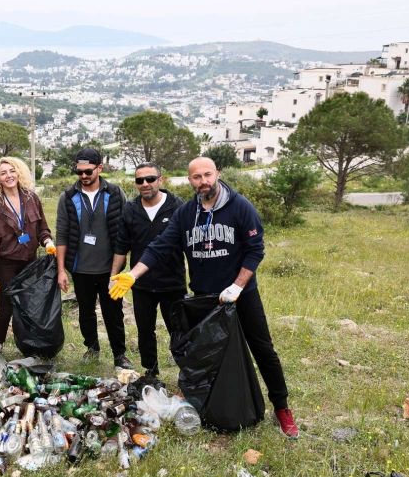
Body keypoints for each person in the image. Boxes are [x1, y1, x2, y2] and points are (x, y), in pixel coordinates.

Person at [109, 157, 299, 438]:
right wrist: (133, 275)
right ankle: (208, 405)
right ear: (190, 181)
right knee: (207, 356)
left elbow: (255, 249)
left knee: (263, 349)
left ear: (217, 174)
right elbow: (160, 247)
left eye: (207, 175)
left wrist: (237, 286)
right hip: (205, 299)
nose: (203, 181)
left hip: (241, 295)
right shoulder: (186, 213)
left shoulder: (239, 207)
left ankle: (282, 409)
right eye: (196, 177)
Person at [55, 147, 133, 369]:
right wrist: (62, 270)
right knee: (86, 312)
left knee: (113, 313)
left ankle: (120, 354)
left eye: (88, 171)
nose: (83, 177)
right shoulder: (68, 197)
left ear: (99, 168)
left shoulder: (115, 193)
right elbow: (61, 234)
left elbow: (125, 230)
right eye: (79, 172)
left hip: (111, 269)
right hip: (80, 268)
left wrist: (120, 269)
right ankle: (92, 348)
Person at [110, 162, 186, 377]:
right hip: (140, 283)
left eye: (150, 179)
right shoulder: (130, 209)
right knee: (145, 330)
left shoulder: (177, 206)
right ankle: (151, 371)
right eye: (139, 180)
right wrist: (113, 277)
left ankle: (186, 372)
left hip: (172, 282)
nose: (145, 184)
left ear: (160, 180)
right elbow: (121, 247)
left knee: (178, 330)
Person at [0, 157, 56, 360]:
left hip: (30, 261)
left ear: (19, 172)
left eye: (12, 171)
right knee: (6, 305)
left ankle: (31, 345)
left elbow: (42, 228)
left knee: (30, 304)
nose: (8, 176)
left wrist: (47, 241)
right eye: (3, 173)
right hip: (7, 263)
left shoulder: (31, 198)